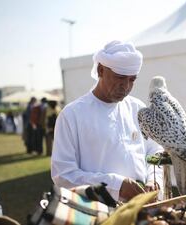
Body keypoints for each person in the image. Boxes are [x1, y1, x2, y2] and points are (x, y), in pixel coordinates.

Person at [51, 40, 163, 202]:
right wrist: (115, 185)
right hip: (99, 211)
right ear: (100, 70)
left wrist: (154, 179)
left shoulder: (138, 108)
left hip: (143, 208)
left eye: (132, 80)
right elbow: (63, 175)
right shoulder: (72, 114)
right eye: (120, 77)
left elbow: (154, 151)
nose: (125, 86)